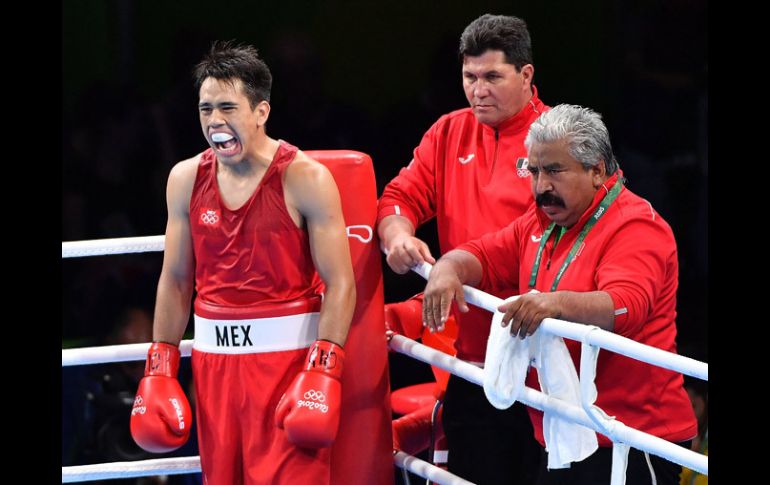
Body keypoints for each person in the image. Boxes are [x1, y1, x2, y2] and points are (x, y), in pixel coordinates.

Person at [422, 104, 698, 484]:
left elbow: (625, 307)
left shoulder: (636, 226)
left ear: (597, 170)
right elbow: (483, 254)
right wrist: (447, 268)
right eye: (534, 171)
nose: (540, 187)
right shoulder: (543, 221)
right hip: (563, 428)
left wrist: (552, 304)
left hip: (629, 436)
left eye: (554, 171)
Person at [129, 41, 356, 485]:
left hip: (288, 366)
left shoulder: (305, 178)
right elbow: (175, 279)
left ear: (261, 112)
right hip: (215, 372)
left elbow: (341, 281)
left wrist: (325, 367)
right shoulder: (185, 179)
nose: (215, 122)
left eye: (228, 108)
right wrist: (160, 365)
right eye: (205, 109)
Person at [376, 13, 545, 484]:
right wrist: (399, 236)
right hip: (473, 358)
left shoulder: (558, 140)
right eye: (470, 77)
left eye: (492, 76)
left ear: (526, 75)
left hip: (544, 355)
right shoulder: (449, 132)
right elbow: (397, 198)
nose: (478, 90)